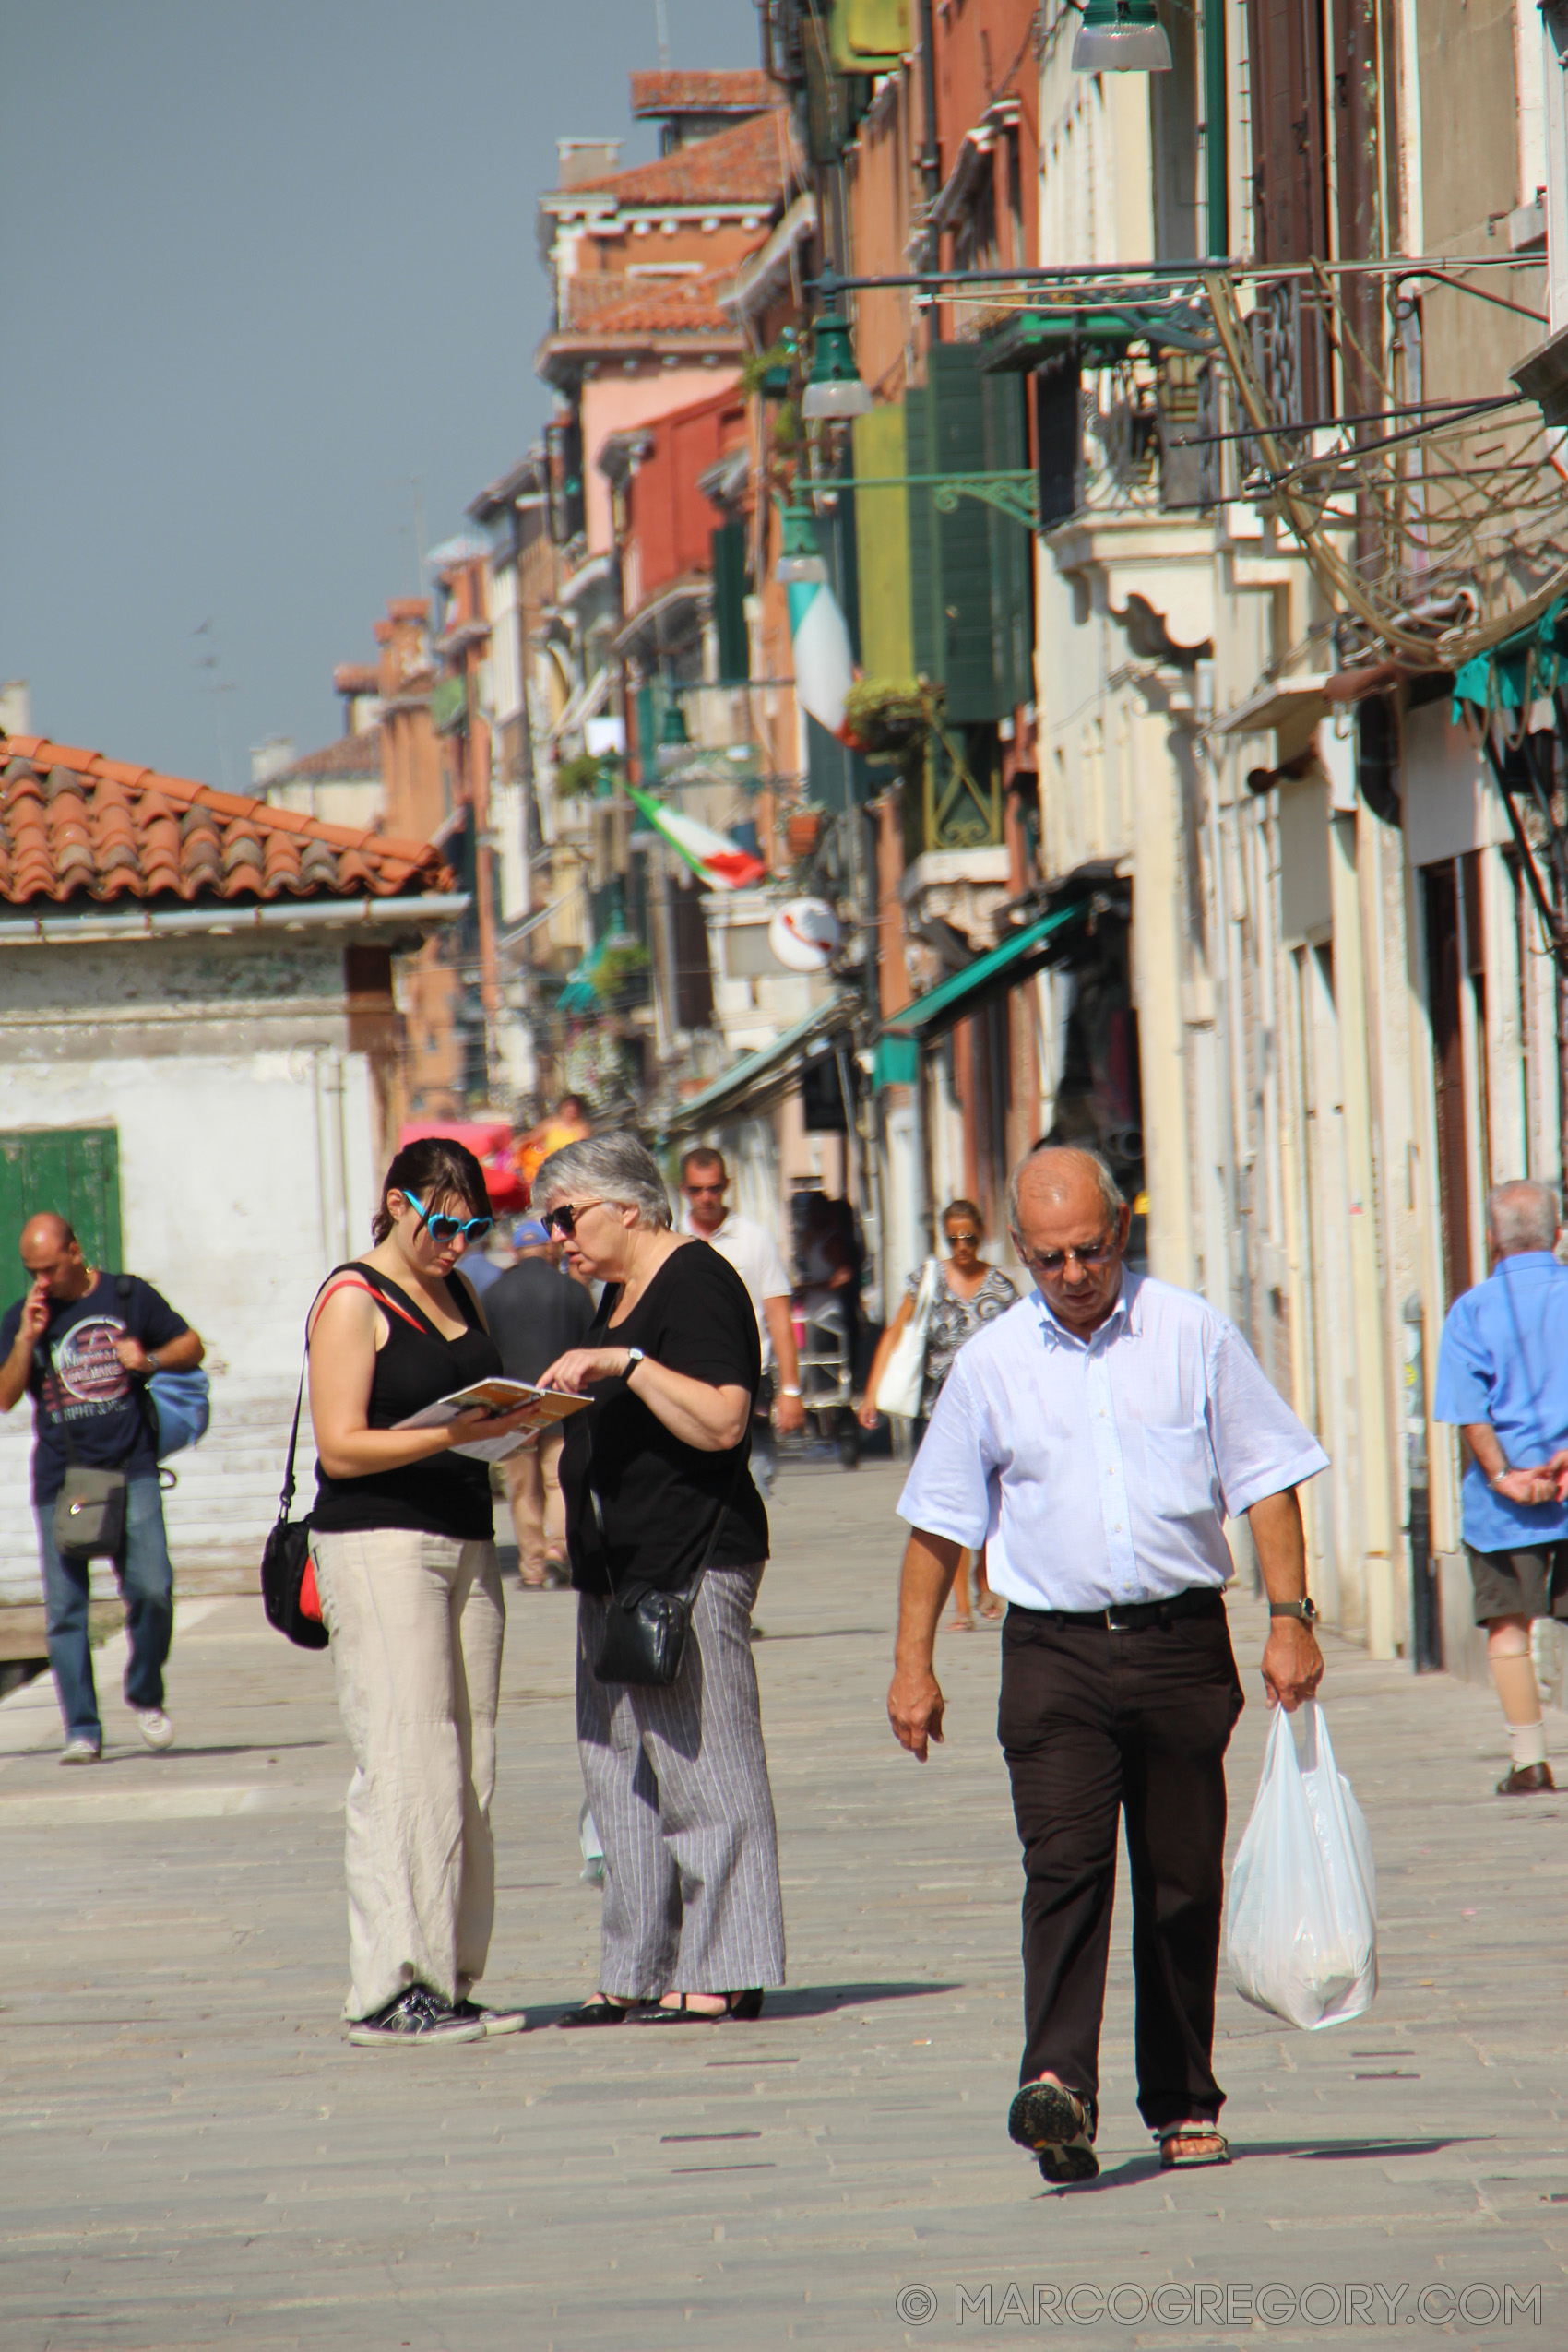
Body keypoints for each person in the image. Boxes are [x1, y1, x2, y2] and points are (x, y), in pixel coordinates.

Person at [886, 1145, 1328, 2183]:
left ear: (1118, 1233)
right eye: (1047, 1259)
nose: (1072, 1273)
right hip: (1052, 1656)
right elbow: (935, 1526)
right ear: (1018, 1253)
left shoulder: (1189, 1333)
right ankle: (1059, 2090)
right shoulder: (991, 1362)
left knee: (1178, 1884)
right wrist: (912, 1665)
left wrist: (1290, 1618)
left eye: (1088, 1250)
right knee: (1064, 1869)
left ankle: (1181, 2098)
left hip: (1180, 1643)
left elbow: (1266, 1480)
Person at [530, 1133, 785, 2026]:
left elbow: (721, 1420)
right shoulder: (616, 1292)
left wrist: (627, 1366)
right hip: (615, 1568)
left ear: (624, 1207)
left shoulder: (698, 1278)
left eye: (564, 1215)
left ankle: (728, 1963)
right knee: (619, 1776)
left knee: (703, 1768)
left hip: (687, 1559)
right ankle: (634, 1967)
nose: (554, 1234)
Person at [305, 1136, 540, 2046]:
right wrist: (448, 1437)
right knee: (404, 1758)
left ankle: (448, 1972)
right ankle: (386, 1988)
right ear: (396, 1203)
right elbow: (341, 1445)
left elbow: (466, 1410)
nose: (456, 1241)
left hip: (465, 1540)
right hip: (379, 1541)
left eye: (471, 1225)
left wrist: (512, 1424)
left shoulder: (461, 1288)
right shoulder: (351, 1298)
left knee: (469, 1763)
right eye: (442, 1223)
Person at [0, 1214, 205, 1763]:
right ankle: (82, 1729)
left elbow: (192, 1345)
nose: (39, 1281)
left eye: (48, 1268)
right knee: (67, 1608)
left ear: (74, 1252)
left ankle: (143, 1688)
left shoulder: (127, 1296)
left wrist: (151, 1359)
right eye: (30, 1271)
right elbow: (5, 1396)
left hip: (131, 1467)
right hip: (63, 1479)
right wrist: (25, 1339)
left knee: (153, 1588)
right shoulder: (27, 1316)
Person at [1432, 1179, 1568, 1795]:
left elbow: (1469, 1411)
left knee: (1509, 1627)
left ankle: (1529, 1761)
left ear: (1491, 1237)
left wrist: (1503, 1475)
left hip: (1502, 1508)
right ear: (1558, 1232)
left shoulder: (1471, 1311)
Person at [859, 1199, 1018, 1627]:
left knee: (990, 1502)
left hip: (992, 1409)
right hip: (940, 1410)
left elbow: (1022, 1345)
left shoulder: (1001, 1288)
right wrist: (871, 1394)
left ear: (981, 1234)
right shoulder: (927, 1280)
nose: (962, 1246)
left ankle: (985, 1583)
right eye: (953, 1239)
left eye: (969, 1237)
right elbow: (895, 1333)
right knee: (952, 1504)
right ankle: (962, 1607)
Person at [679, 1146, 805, 1498]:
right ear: (683, 1190)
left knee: (754, 1481)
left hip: (750, 1382)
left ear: (727, 1186)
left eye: (714, 1188)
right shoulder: (669, 1238)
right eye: (696, 1189)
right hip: (687, 1382)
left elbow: (779, 1317)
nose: (706, 1197)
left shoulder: (754, 1239)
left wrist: (791, 1391)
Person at [483, 1217, 594, 1586]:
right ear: (549, 1248)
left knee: (522, 1490)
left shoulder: (493, 1294)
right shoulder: (573, 1291)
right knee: (558, 1482)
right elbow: (592, 1346)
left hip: (512, 1407)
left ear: (515, 1251)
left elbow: (485, 1353)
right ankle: (558, 1551)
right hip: (561, 1402)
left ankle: (532, 1568)